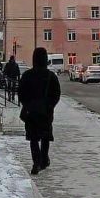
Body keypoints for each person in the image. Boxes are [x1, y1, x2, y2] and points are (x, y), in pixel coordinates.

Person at [18, 47, 61, 176]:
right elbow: (56, 94)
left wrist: (27, 105)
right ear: (45, 59)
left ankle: (36, 162)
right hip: (45, 113)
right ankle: (44, 159)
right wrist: (50, 106)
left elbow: (21, 93)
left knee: (33, 138)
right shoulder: (50, 76)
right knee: (45, 137)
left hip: (31, 113)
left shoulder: (27, 75)